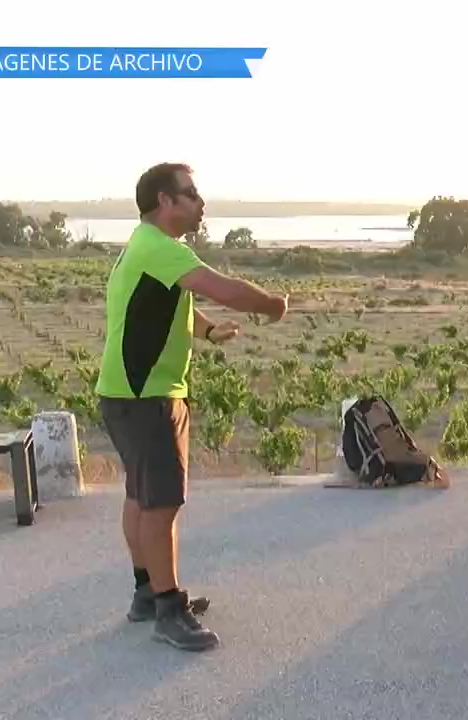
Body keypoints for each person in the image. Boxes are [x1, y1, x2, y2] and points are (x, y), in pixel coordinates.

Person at [97, 162, 288, 651]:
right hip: (149, 397)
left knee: (140, 498)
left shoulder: (147, 249)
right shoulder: (159, 248)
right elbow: (223, 288)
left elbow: (177, 302)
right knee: (162, 503)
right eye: (191, 193)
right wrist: (271, 304)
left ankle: (147, 593)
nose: (200, 201)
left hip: (125, 393)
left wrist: (206, 331)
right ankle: (169, 610)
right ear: (165, 200)